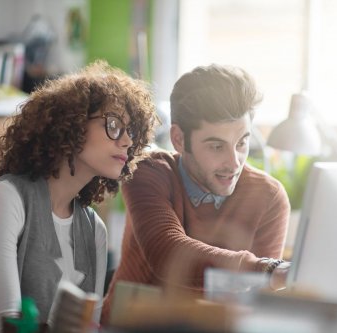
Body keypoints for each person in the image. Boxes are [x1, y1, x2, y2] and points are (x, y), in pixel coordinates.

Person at [0, 60, 157, 333]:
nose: (128, 141)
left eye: (131, 132)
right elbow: (6, 326)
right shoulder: (4, 198)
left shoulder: (95, 229)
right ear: (70, 124)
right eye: (114, 125)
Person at [102, 64, 291, 323]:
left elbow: (254, 304)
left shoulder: (268, 198)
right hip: (128, 327)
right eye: (216, 146)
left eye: (242, 143)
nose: (234, 162)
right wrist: (264, 268)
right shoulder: (147, 171)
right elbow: (168, 252)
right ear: (179, 139)